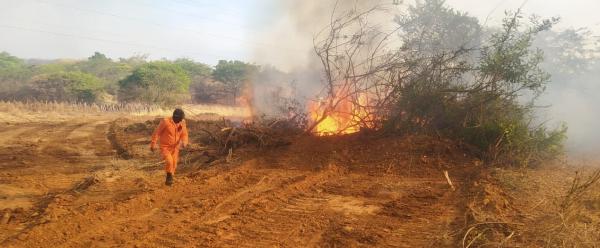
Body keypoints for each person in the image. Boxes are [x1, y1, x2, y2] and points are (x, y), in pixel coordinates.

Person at [150, 108, 188, 186]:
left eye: (182, 119)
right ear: (175, 117)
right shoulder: (165, 122)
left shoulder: (182, 122)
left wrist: (184, 142)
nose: (181, 121)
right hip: (165, 147)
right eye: (180, 119)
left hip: (175, 147)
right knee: (169, 161)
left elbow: (184, 134)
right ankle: (169, 177)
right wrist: (153, 144)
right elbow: (157, 133)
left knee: (174, 164)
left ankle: (170, 180)